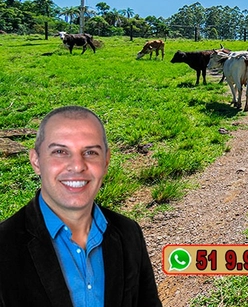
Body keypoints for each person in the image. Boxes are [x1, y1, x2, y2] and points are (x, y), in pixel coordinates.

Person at [0, 106, 162, 307]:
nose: (77, 166)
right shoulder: (4, 245)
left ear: (106, 161)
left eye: (90, 152)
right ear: (36, 161)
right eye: (60, 151)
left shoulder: (129, 233)